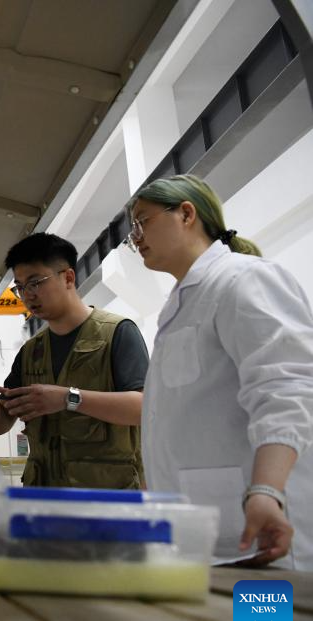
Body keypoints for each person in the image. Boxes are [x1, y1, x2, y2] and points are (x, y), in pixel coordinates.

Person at [128, 174, 313, 569]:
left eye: (142, 221)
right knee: (224, 613)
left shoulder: (245, 279)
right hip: (211, 532)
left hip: (263, 524)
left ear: (186, 214)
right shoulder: (181, 305)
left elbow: (287, 389)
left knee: (265, 612)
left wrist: (267, 489)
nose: (136, 237)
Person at [0, 233, 149, 489]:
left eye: (35, 283)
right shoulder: (31, 353)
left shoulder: (117, 333)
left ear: (68, 278)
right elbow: (1, 423)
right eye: (20, 287)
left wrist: (69, 398)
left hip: (107, 497)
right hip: (44, 498)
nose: (27, 295)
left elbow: (144, 409)